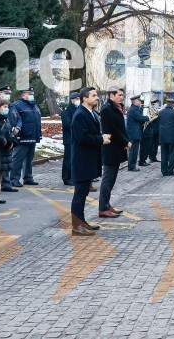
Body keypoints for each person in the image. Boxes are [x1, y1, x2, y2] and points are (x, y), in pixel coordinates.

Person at [70, 86, 111, 236]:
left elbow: (90, 133)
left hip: (88, 160)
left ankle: (82, 222)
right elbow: (83, 137)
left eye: (96, 95)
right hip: (82, 161)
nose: (97, 97)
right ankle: (76, 226)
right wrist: (101, 139)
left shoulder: (91, 112)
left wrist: (102, 136)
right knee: (79, 194)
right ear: (85, 98)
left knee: (83, 193)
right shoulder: (80, 114)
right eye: (93, 95)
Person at [98, 88, 130, 218]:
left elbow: (122, 128)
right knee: (108, 179)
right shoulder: (106, 109)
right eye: (119, 95)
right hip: (110, 149)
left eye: (122, 95)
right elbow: (113, 130)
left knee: (112, 180)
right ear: (111, 95)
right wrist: (125, 142)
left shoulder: (116, 108)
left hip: (116, 148)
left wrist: (126, 141)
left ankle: (107, 204)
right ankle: (102, 208)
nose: (121, 97)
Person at [8, 88, 41, 187]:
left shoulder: (34, 105)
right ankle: (14, 179)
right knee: (17, 159)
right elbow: (15, 119)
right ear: (23, 94)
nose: (32, 95)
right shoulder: (17, 105)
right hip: (22, 136)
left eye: (33, 93)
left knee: (29, 159)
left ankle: (28, 177)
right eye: (29, 93)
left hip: (33, 136)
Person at [0, 99, 17, 203]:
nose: (7, 109)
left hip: (6, 149)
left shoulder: (4, 119)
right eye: (4, 107)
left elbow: (9, 132)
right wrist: (6, 142)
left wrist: (12, 142)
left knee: (0, 174)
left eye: (7, 107)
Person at [158, 98, 174, 176]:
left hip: (163, 137)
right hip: (172, 137)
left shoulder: (161, 112)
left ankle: (164, 171)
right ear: (173, 104)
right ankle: (170, 170)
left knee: (164, 154)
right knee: (172, 154)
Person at [60, 92, 80, 185]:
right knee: (69, 159)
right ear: (72, 100)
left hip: (78, 138)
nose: (78, 100)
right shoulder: (66, 111)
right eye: (76, 99)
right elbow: (68, 124)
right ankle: (67, 178)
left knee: (76, 159)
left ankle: (75, 176)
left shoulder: (79, 109)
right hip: (69, 139)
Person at [126, 94, 148, 171]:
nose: (140, 102)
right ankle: (131, 166)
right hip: (134, 133)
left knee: (134, 150)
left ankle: (132, 165)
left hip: (135, 132)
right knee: (133, 151)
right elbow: (141, 118)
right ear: (135, 101)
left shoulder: (134, 108)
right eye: (139, 100)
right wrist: (148, 117)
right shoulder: (134, 109)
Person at [146, 99, 161, 164]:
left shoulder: (158, 111)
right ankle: (151, 157)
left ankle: (154, 157)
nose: (154, 105)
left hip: (157, 130)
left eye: (155, 104)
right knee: (151, 145)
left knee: (156, 145)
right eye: (153, 104)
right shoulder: (149, 110)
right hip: (152, 130)